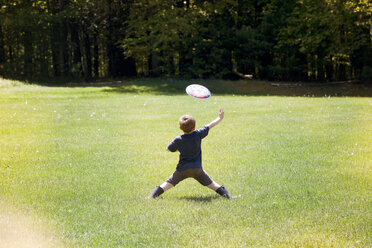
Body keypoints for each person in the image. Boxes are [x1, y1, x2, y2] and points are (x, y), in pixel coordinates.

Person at [148, 108, 232, 199]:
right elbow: (210, 125)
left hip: (182, 170)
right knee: (212, 184)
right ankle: (228, 197)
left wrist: (179, 150)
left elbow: (168, 149)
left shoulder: (178, 139)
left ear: (180, 128)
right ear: (194, 127)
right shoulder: (198, 134)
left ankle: (151, 197)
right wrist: (220, 118)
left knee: (167, 184)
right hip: (197, 169)